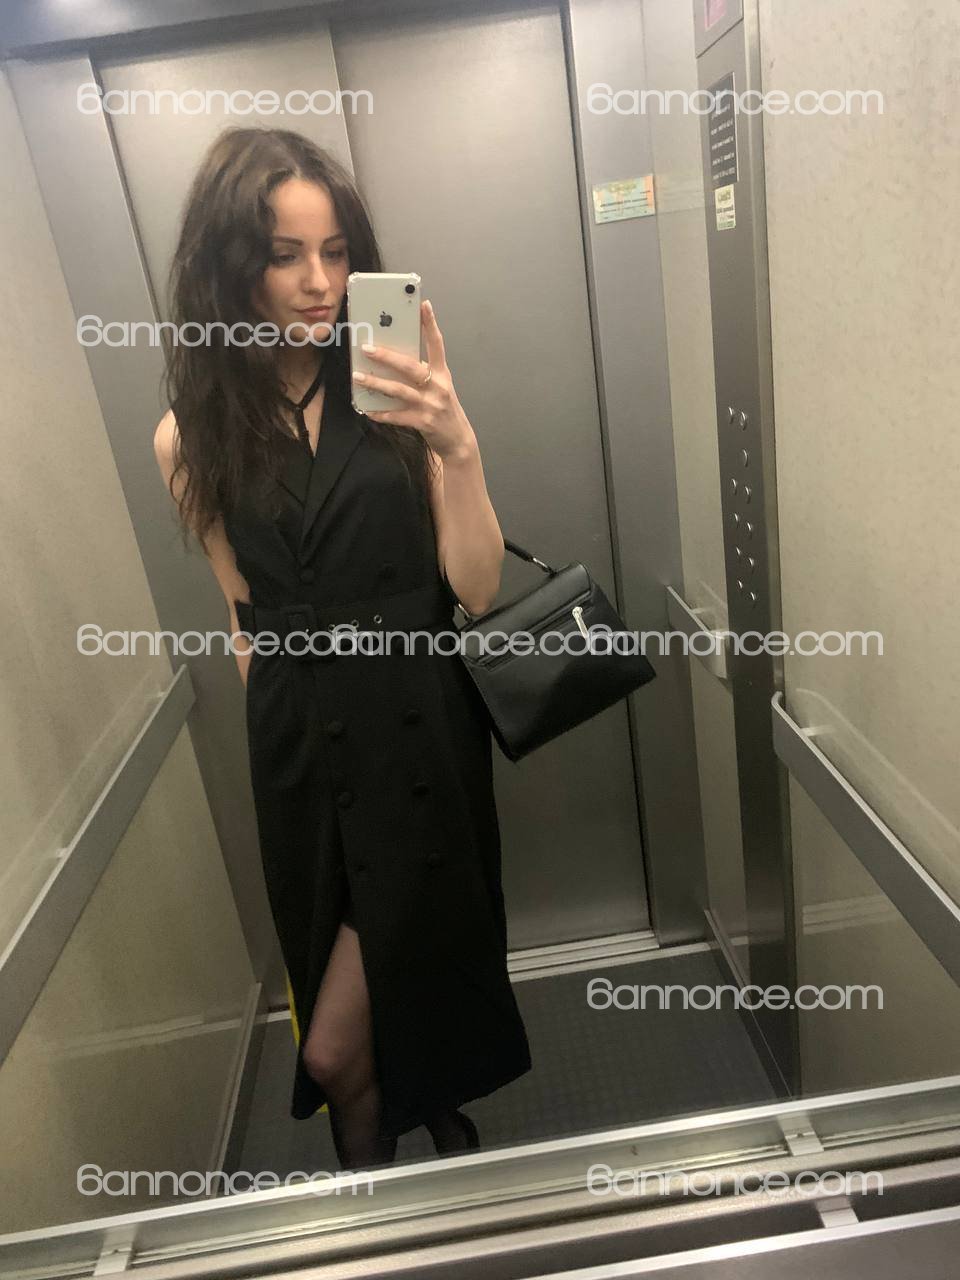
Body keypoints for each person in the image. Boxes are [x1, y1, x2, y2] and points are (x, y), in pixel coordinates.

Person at [153, 127, 532, 1171]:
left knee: (356, 1015)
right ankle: (388, 1196)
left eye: (335, 252)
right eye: (284, 256)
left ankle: (423, 1130)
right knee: (338, 1024)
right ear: (230, 266)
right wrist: (279, 755)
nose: (319, 283)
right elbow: (244, 613)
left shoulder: (400, 390)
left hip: (417, 733)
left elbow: (477, 587)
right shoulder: (189, 438)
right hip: (303, 752)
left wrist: (459, 446)